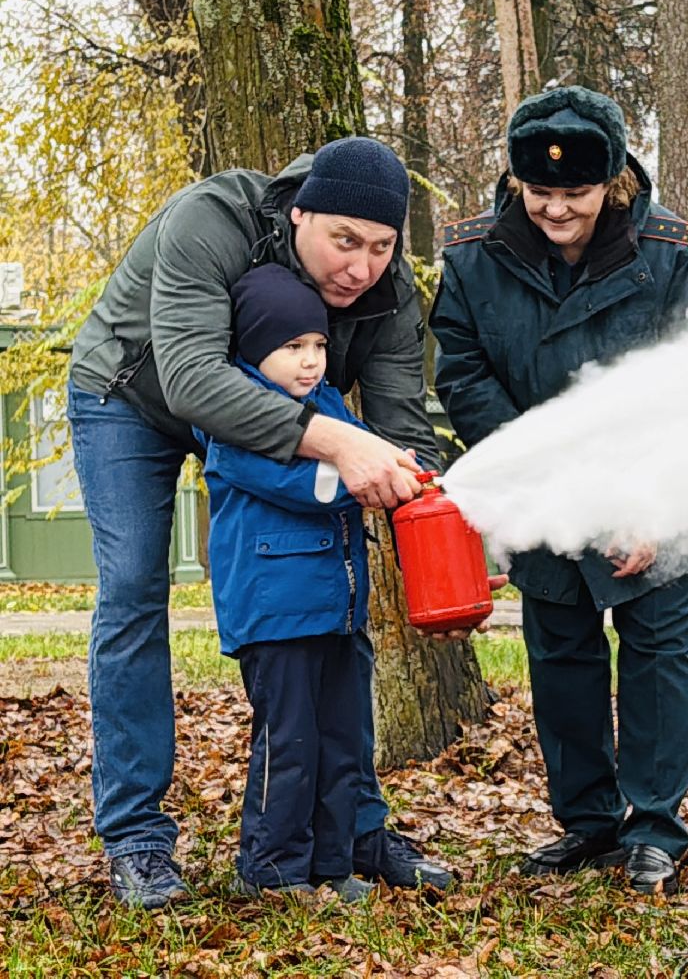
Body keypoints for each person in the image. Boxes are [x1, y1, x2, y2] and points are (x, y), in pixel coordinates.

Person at [68, 136, 454, 907]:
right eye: (344, 241)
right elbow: (191, 378)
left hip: (275, 417)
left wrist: (442, 533)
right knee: (135, 592)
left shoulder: (387, 287)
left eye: (381, 247)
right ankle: (137, 838)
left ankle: (354, 827)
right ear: (300, 210)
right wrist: (342, 440)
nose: (362, 267)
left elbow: (403, 428)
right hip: (133, 396)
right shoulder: (212, 218)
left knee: (334, 612)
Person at [431, 85, 688, 896]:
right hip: (542, 492)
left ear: (614, 181)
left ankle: (656, 826)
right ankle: (587, 823)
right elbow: (460, 369)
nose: (557, 209)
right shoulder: (472, 255)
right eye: (541, 192)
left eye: (577, 193)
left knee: (660, 656)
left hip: (653, 491)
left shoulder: (668, 252)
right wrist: (550, 473)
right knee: (562, 657)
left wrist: (654, 501)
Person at [198, 263, 377, 901]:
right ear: (251, 350)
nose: (309, 362)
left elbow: (363, 452)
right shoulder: (236, 420)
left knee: (341, 742)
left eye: (319, 346)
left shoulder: (324, 404)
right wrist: (361, 473)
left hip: (337, 610)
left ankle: (332, 866)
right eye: (291, 347)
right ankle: (272, 869)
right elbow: (300, 486)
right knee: (290, 744)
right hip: (276, 614)